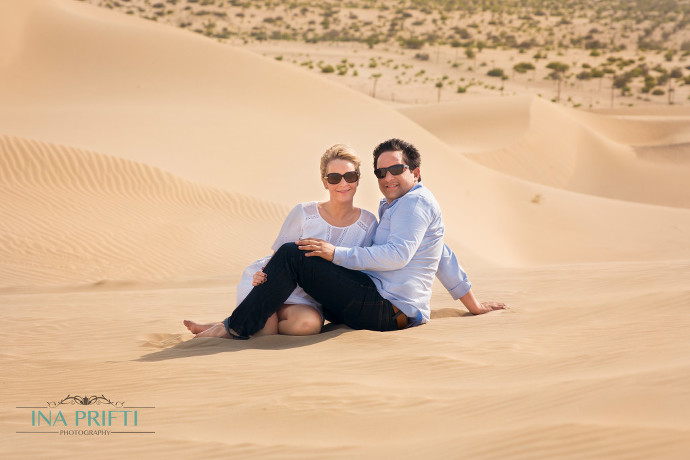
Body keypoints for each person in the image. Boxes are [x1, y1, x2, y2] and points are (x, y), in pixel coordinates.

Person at [189, 138, 505, 340]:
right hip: (383, 306)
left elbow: (397, 256)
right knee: (297, 256)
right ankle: (231, 322)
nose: (388, 177)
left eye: (397, 169)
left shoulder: (415, 203)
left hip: (388, 310)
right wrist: (472, 304)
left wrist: (333, 253)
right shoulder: (399, 206)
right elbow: (442, 253)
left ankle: (233, 328)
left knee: (297, 253)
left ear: (416, 172)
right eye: (381, 172)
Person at [184, 144, 377, 336]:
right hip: (275, 284)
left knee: (307, 327)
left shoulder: (368, 223)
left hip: (309, 299)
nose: (343, 184)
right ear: (325, 182)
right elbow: (280, 257)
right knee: (264, 333)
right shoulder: (304, 213)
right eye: (334, 178)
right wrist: (262, 275)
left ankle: (227, 322)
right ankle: (220, 330)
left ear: (358, 179)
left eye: (350, 176)